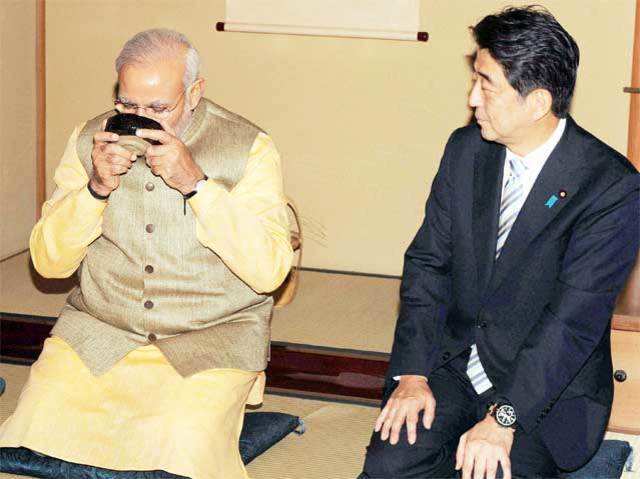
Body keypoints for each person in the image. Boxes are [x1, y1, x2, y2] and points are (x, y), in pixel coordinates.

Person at [0, 29, 293, 479]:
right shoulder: (88, 140)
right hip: (103, 328)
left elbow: (269, 271)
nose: (140, 121)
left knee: (182, 447)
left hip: (209, 335)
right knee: (37, 428)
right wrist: (95, 189)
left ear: (194, 93)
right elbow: (48, 263)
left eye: (158, 109)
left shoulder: (248, 147)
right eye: (128, 105)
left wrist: (198, 185)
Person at [360, 6, 639, 479]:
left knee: (489, 471)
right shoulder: (466, 151)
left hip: (544, 390)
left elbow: (571, 325)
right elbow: (428, 265)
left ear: (536, 103)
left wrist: (504, 417)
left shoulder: (611, 188)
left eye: (486, 85)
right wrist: (411, 374)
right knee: (389, 466)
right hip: (454, 366)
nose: (472, 99)